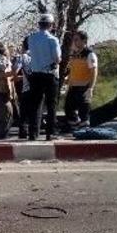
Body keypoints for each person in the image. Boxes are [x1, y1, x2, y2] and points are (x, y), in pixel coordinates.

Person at [25, 13, 62, 141]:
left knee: (35, 104)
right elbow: (57, 59)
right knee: (51, 104)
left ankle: (33, 133)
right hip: (49, 75)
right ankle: (50, 132)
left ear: (39, 24)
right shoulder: (53, 40)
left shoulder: (31, 38)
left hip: (35, 75)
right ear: (51, 25)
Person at [64, 30, 98, 129]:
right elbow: (72, 70)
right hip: (73, 87)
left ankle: (84, 133)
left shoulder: (90, 54)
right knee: (68, 109)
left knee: (84, 112)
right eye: (74, 40)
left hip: (84, 87)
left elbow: (94, 71)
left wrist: (90, 88)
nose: (74, 42)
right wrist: (68, 81)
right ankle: (76, 127)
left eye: (77, 40)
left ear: (84, 41)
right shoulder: (74, 54)